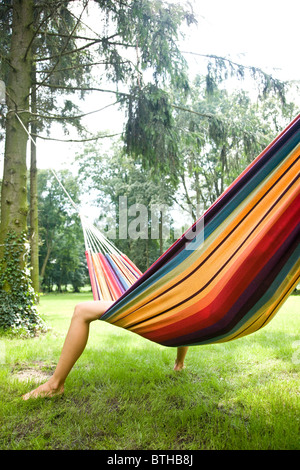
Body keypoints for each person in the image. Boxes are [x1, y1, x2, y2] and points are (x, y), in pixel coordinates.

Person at [22, 300, 189, 400]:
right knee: (186, 321)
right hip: (184, 312)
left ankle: (54, 385)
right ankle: (179, 363)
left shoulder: (194, 247)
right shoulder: (197, 251)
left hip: (163, 309)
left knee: (82, 310)